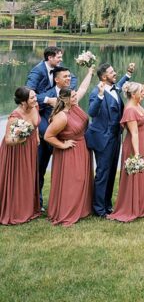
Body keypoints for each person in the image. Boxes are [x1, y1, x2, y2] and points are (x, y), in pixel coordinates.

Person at [43, 66, 95, 225]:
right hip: (69, 151)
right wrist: (63, 145)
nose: (76, 97)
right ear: (65, 99)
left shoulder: (74, 106)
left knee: (82, 179)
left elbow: (83, 88)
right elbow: (48, 136)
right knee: (73, 181)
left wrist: (90, 73)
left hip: (81, 147)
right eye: (73, 96)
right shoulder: (62, 117)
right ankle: (67, 210)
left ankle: (82, 209)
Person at [85, 60, 135, 217]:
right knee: (103, 173)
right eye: (112, 72)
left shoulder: (114, 88)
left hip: (115, 137)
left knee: (112, 171)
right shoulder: (96, 92)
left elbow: (119, 84)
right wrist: (100, 96)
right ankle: (98, 209)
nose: (115, 73)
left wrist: (128, 74)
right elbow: (92, 113)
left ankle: (107, 205)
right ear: (104, 77)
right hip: (103, 139)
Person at [108, 74, 144, 222]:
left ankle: (142, 204)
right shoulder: (129, 109)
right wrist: (137, 154)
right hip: (135, 144)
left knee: (143, 173)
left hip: (142, 141)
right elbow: (133, 133)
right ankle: (132, 206)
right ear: (133, 95)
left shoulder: (136, 103)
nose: (143, 94)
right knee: (135, 172)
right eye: (140, 92)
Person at [34, 54, 77, 206]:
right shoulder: (49, 94)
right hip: (47, 141)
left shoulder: (71, 94)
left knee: (66, 173)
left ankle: (66, 202)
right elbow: (32, 97)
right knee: (39, 171)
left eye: (69, 76)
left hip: (66, 140)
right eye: (65, 77)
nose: (69, 79)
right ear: (56, 80)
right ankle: (37, 204)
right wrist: (47, 100)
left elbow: (81, 86)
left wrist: (90, 72)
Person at [0, 86, 41, 224]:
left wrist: (36, 137)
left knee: (28, 177)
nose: (36, 99)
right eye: (32, 97)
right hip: (16, 151)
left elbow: (35, 125)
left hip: (30, 148)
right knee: (18, 179)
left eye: (35, 96)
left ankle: (28, 208)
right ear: (23, 102)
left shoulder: (35, 106)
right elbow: (8, 140)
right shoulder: (14, 116)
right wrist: (20, 139)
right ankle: (15, 211)